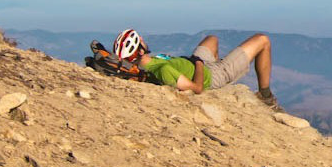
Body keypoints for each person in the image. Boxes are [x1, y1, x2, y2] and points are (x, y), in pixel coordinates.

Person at [112, 28, 282, 110]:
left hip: (198, 63)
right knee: (263, 40)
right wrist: (199, 63)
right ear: (140, 49)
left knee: (211, 38)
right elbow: (198, 88)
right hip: (212, 74)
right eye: (140, 40)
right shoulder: (162, 69)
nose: (143, 39)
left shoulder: (149, 63)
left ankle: (229, 64)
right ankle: (266, 96)